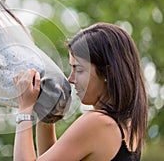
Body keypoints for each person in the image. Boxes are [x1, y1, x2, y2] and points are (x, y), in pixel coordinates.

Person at [13, 22, 148, 161]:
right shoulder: (127, 126)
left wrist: (25, 109)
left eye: (79, 70)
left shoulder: (97, 123)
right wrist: (46, 112)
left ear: (108, 73)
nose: (71, 79)